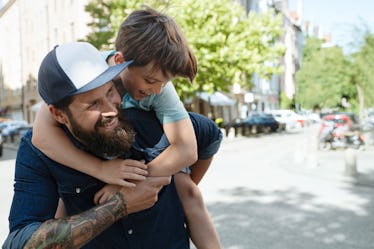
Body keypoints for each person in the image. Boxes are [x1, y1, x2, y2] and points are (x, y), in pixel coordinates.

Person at [32, 7, 222, 249]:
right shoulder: (89, 73)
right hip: (96, 154)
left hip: (147, 150)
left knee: (186, 189)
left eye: (165, 83)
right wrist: (102, 169)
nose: (157, 89)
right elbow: (41, 134)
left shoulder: (158, 86)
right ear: (120, 62)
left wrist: (130, 183)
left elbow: (187, 149)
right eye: (151, 81)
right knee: (65, 200)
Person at [3, 42, 190, 248]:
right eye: (93, 104)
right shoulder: (38, 152)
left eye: (110, 91)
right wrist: (118, 206)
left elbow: (207, 137)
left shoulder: (150, 115)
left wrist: (182, 186)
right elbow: (19, 243)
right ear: (59, 114)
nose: (111, 110)